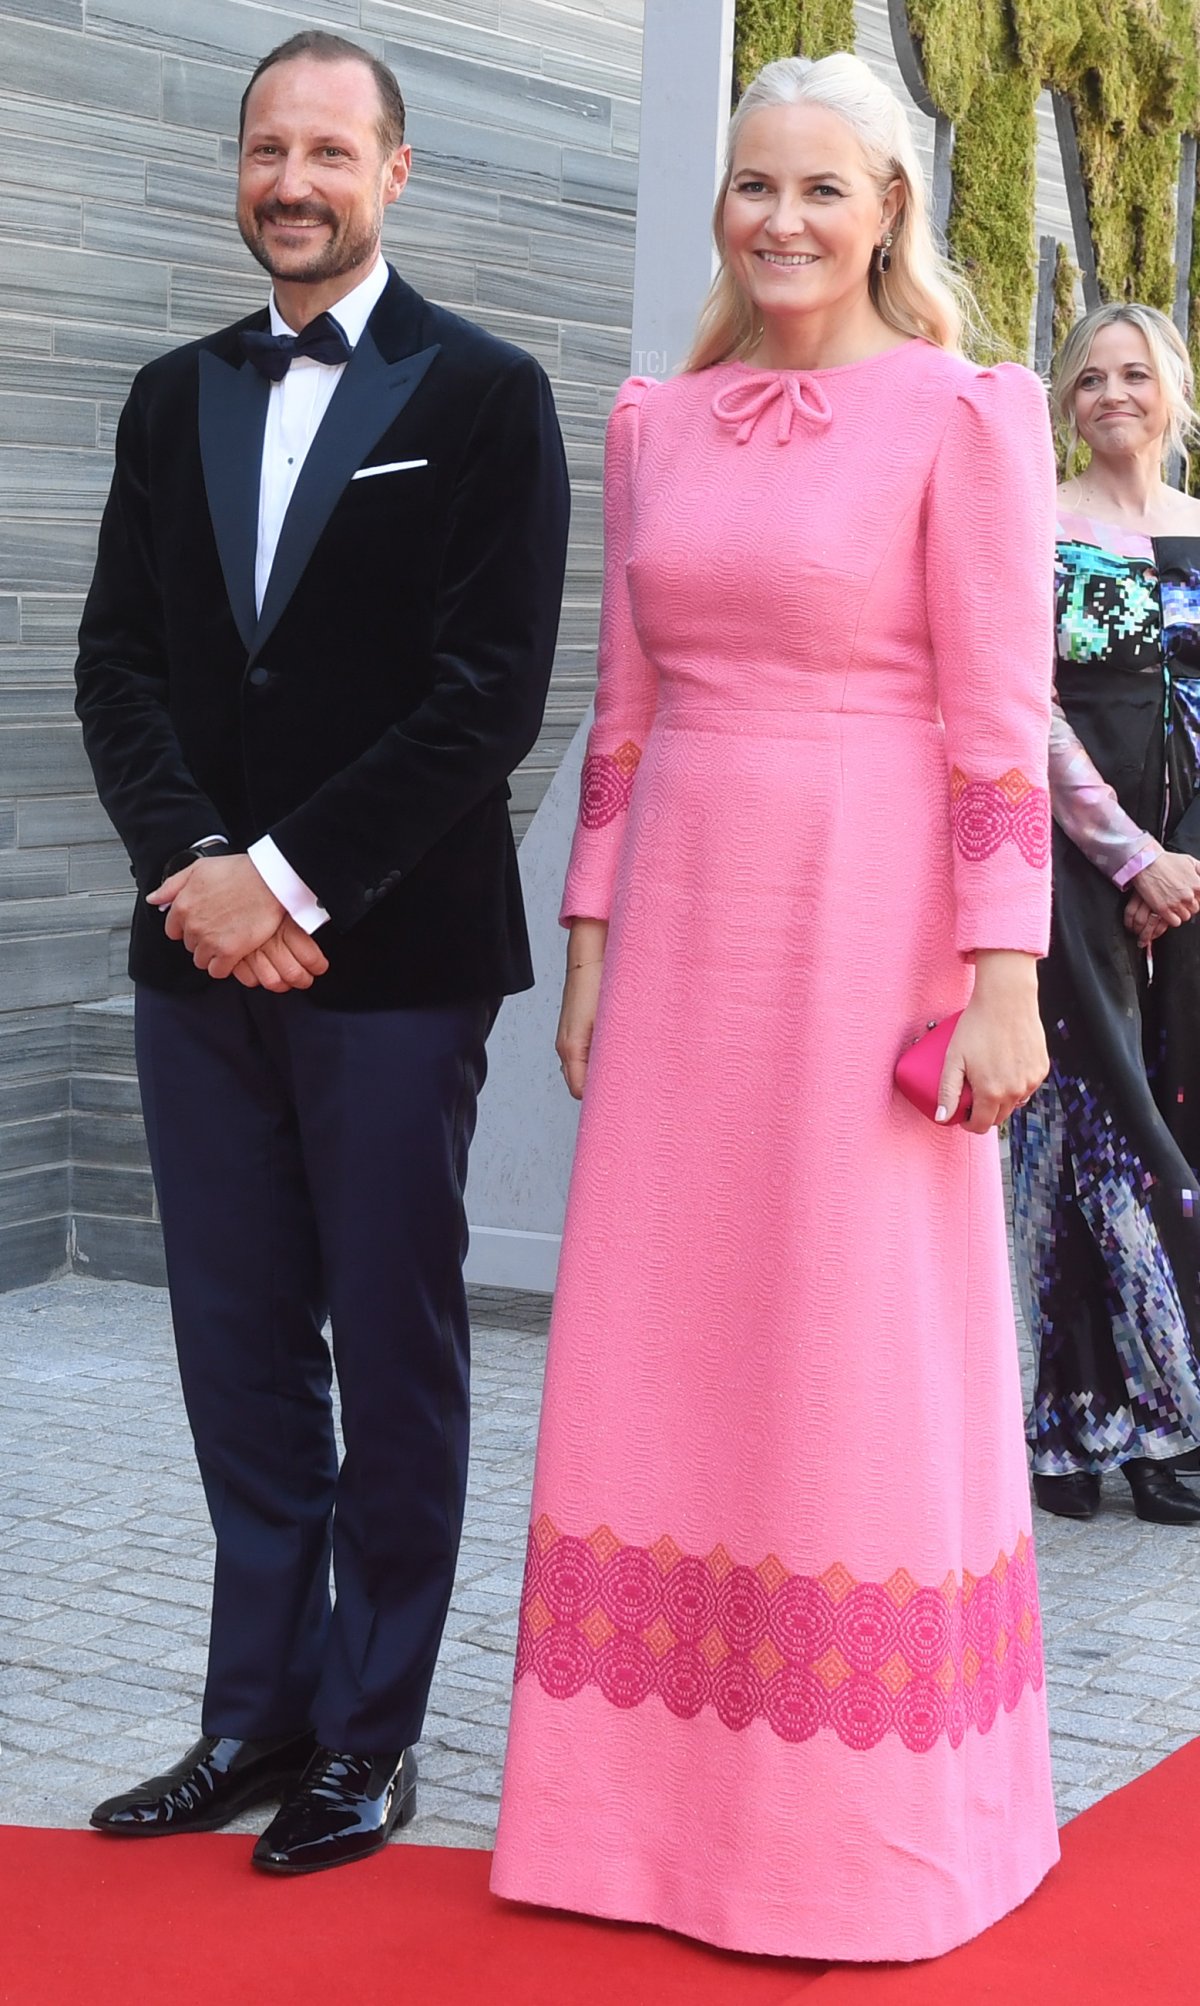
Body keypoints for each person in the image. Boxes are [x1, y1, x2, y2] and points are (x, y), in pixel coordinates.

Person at [491, 51, 1059, 1963]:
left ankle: (861, 1843)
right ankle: (631, 1828)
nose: (784, 222)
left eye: (825, 188)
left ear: (892, 207)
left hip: (876, 920)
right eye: (755, 187)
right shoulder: (659, 419)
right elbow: (626, 713)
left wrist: (1003, 971)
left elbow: (997, 719)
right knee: (667, 1335)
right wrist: (587, 940)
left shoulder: (966, 418)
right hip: (685, 942)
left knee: (849, 1350)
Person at [74, 30, 569, 1875]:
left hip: (391, 962)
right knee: (235, 1349)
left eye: (330, 151)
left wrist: (285, 879)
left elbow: (484, 698)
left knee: (397, 1340)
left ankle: (371, 1735)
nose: (294, 180)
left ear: (397, 171)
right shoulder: (165, 393)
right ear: (242, 170)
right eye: (266, 149)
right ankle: (253, 1713)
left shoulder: (491, 393)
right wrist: (198, 866)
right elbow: (116, 662)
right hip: (191, 960)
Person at [1010, 303, 1200, 1527]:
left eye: (1136, 374)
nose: (1114, 393)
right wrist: (1131, 858)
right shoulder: (1037, 522)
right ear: (1066, 400)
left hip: (1198, 868)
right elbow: (1024, 702)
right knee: (1094, 1125)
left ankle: (1171, 1415)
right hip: (1077, 866)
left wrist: (1187, 865)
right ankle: (1079, 1416)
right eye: (1091, 377)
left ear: (1174, 390)